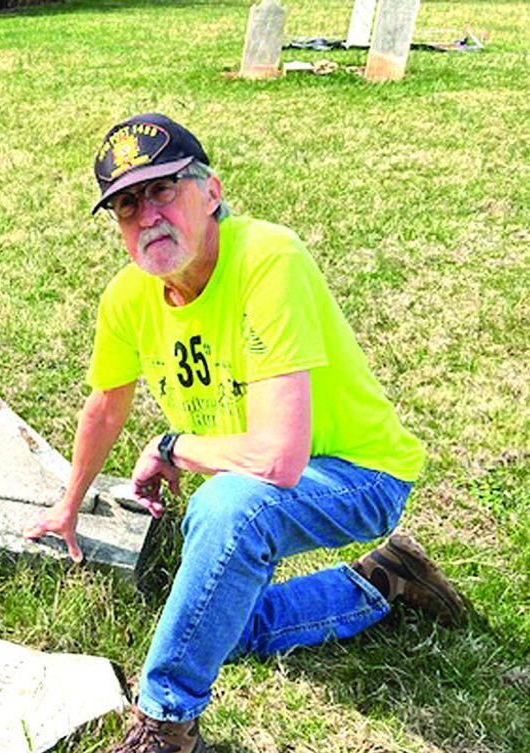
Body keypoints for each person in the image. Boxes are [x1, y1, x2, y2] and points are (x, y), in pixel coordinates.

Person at [23, 113, 465, 753]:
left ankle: (165, 725)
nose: (146, 216)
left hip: (361, 473)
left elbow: (279, 461)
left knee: (225, 508)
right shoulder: (128, 297)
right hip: (263, 479)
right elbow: (105, 405)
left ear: (212, 191)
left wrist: (173, 448)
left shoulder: (267, 259)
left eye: (162, 190)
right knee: (219, 622)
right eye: (125, 205)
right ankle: (385, 579)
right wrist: (67, 506)